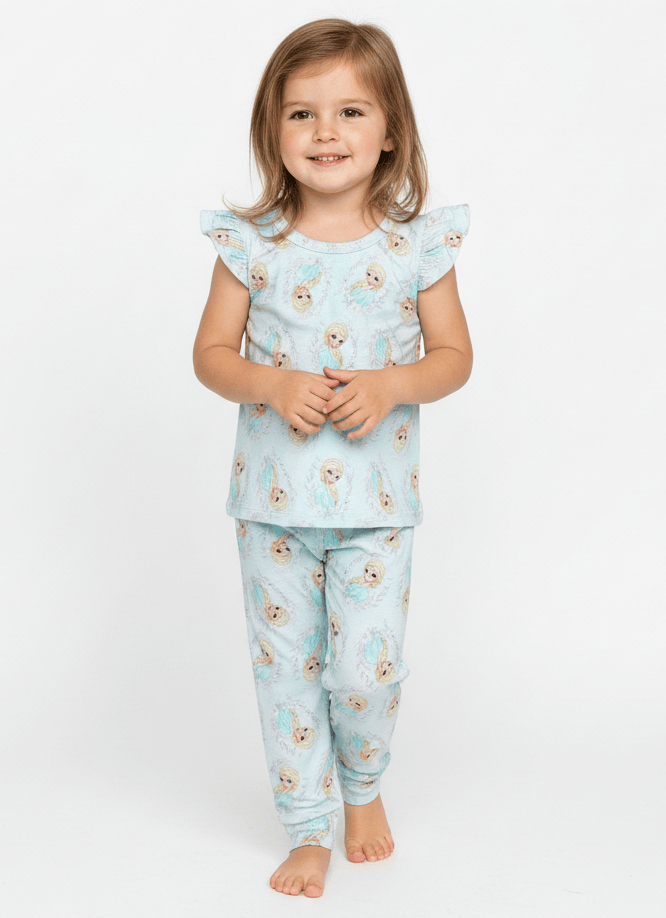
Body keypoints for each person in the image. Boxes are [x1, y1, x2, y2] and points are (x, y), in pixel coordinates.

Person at [193, 17, 473, 898]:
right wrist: (270, 385)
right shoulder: (252, 245)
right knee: (286, 672)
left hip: (376, 509)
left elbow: (454, 358)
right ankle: (308, 824)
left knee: (363, 673)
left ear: (390, 130)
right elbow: (211, 355)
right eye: (301, 113)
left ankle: (363, 786)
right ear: (271, 130)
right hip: (271, 507)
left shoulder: (417, 247)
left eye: (351, 111)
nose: (325, 131)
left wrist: (392, 386)